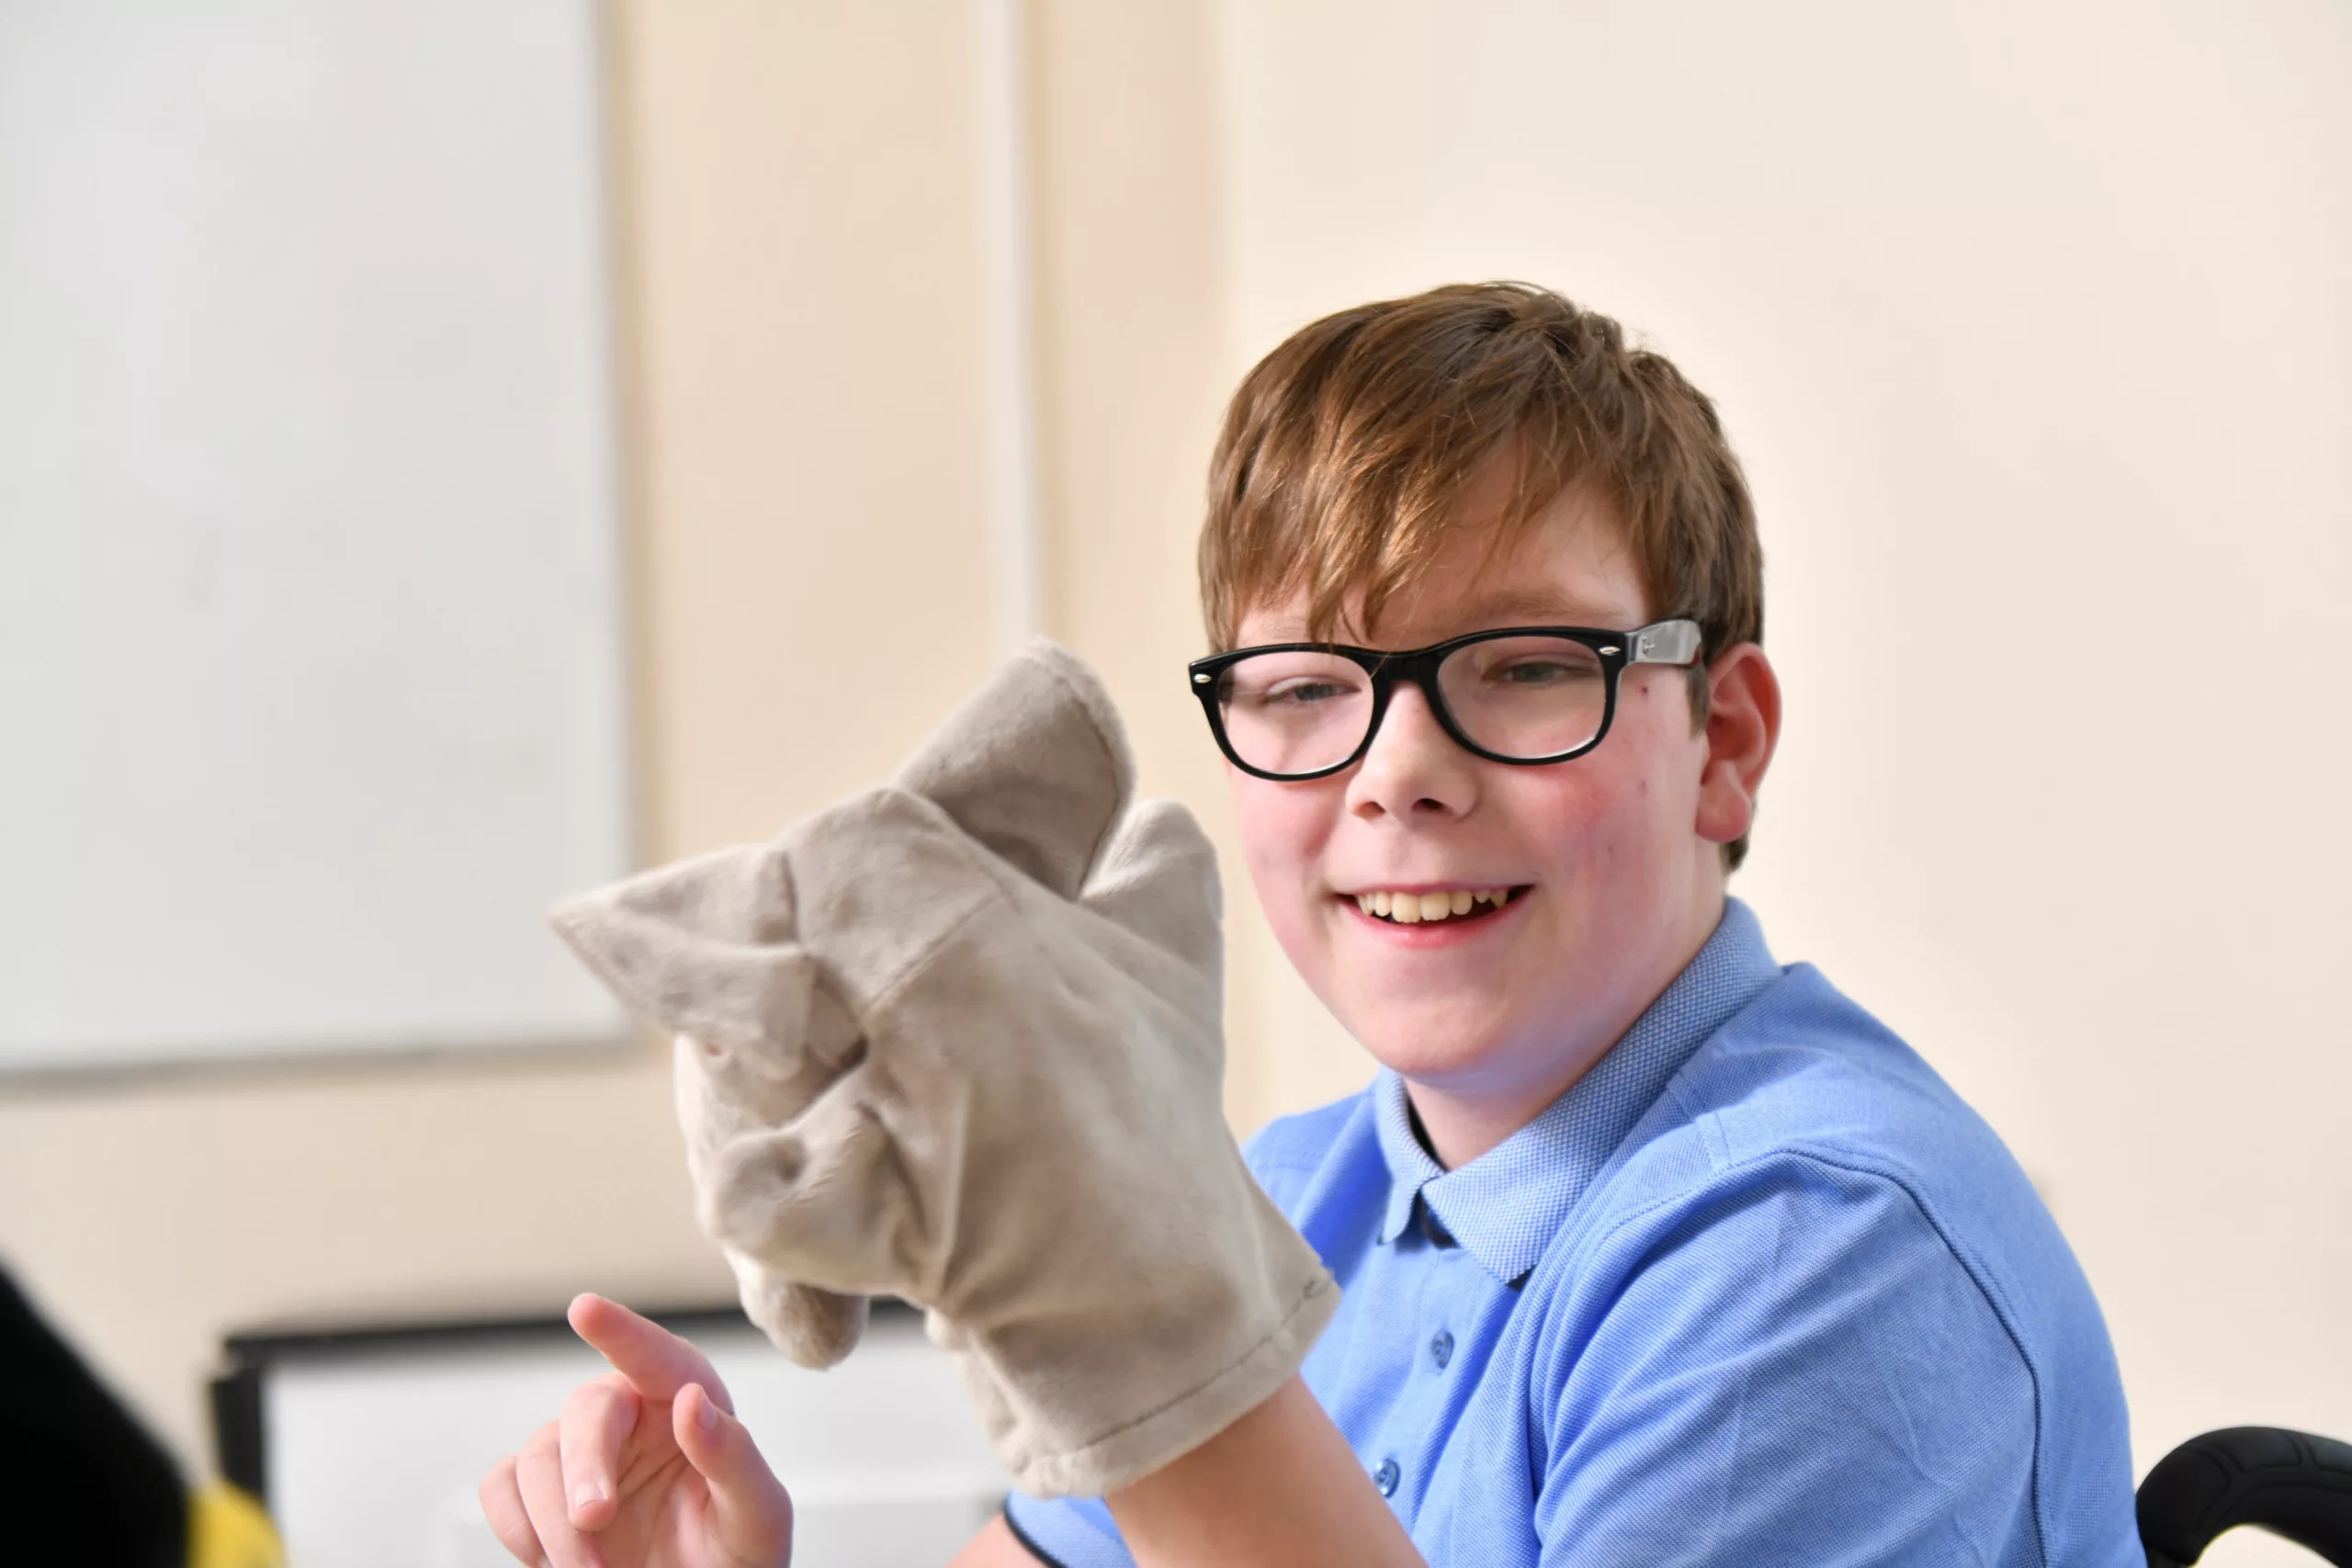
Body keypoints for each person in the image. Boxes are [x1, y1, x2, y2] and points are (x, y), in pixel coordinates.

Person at [479, 282, 2142, 1566]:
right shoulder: (1290, 1192)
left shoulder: (1818, 1245)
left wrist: (1148, 1335)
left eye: (1531, 668)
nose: (1397, 771)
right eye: (1304, 688)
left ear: (1722, 742)